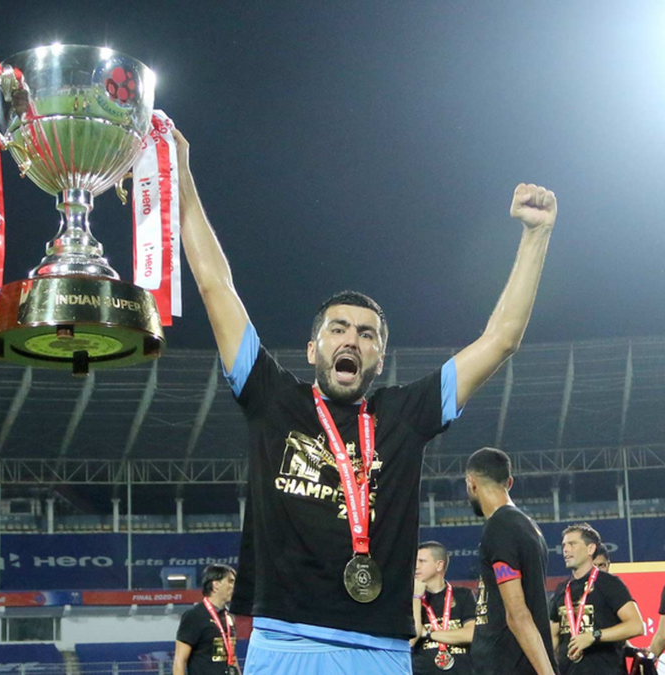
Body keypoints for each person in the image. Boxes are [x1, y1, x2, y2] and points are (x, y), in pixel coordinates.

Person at [172, 120, 558, 674]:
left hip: (380, 651)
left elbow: (501, 340)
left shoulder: (404, 414)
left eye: (367, 334)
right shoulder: (271, 397)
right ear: (313, 349)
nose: (351, 339)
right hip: (283, 645)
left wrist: (536, 235)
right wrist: (181, 176)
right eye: (338, 329)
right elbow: (215, 285)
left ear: (379, 357)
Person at [467, 447, 556, 675]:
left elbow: (517, 613)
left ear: (471, 483)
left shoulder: (500, 527)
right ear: (510, 482)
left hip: (508, 666)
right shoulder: (528, 526)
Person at [549, 523, 643, 673]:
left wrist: (594, 636)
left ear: (590, 549)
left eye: (572, 544)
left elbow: (636, 626)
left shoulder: (609, 583)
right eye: (564, 545)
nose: (565, 549)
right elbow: (553, 637)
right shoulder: (562, 589)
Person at [411, 541, 475, 673]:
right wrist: (416, 597)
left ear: (439, 565)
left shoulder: (463, 595)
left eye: (422, 561)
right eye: (415, 561)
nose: (416, 566)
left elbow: (470, 634)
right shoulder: (410, 599)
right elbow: (411, 639)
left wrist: (428, 633)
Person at [175, 564, 239, 675]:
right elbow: (179, 661)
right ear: (216, 585)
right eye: (230, 581)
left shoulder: (229, 616)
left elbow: (232, 656)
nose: (234, 586)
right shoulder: (194, 616)